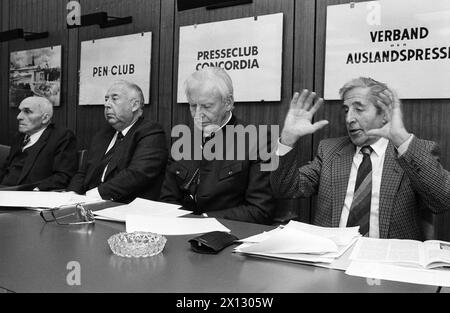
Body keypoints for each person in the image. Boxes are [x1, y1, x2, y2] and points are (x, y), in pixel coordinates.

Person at [271, 77, 450, 240]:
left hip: (387, 263)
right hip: (332, 257)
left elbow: (443, 200)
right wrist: (287, 138)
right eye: (347, 110)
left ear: (384, 115)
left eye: (359, 109)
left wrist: (402, 140)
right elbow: (285, 189)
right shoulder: (330, 150)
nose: (349, 119)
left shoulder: (412, 152)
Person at [160, 67, 274, 224]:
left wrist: (203, 220)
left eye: (207, 106)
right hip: (179, 229)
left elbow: (260, 210)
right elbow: (167, 199)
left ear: (228, 103)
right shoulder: (184, 140)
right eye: (193, 106)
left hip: (229, 236)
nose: (198, 114)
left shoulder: (258, 139)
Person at [67, 80, 167, 203]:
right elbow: (83, 172)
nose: (107, 105)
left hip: (125, 207)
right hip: (87, 203)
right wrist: (72, 194)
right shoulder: (102, 135)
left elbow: (137, 175)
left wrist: (93, 195)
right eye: (106, 99)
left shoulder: (151, 132)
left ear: (134, 105)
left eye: (114, 99)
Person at [0, 96, 77, 190]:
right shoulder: (20, 136)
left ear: (45, 118)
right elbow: (5, 169)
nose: (19, 117)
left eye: (27, 112)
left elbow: (63, 176)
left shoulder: (61, 137)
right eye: (20, 111)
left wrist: (37, 190)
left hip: (29, 195)